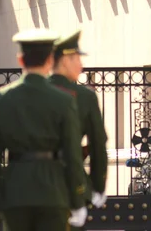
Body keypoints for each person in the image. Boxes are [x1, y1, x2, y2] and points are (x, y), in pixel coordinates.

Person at [0, 28, 88, 231]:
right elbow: (72, 154)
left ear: (20, 60)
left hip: (15, 191)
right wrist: (78, 198)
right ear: (49, 61)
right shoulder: (63, 100)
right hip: (53, 192)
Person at [49, 29, 108, 223]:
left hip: (24, 188)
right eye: (77, 59)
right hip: (69, 184)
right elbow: (98, 143)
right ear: (65, 60)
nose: (81, 65)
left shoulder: (24, 94)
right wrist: (97, 186)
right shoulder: (83, 96)